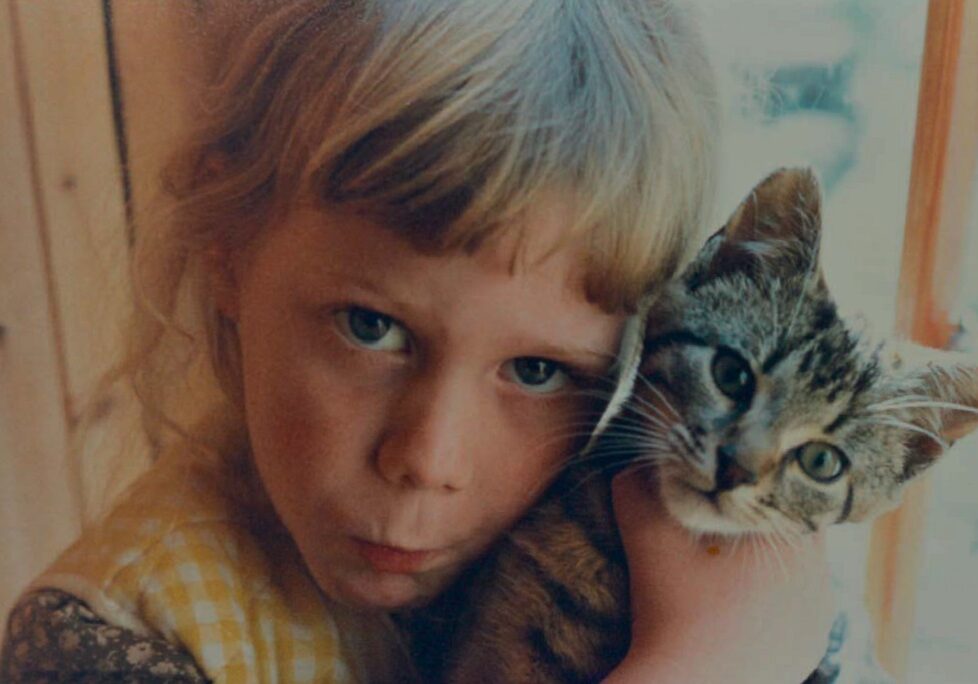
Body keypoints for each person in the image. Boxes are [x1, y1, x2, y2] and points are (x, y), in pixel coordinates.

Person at [1, 1, 835, 681]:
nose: (430, 458)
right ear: (230, 252)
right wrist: (705, 667)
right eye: (373, 328)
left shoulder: (654, 536)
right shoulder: (107, 640)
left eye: (539, 371)